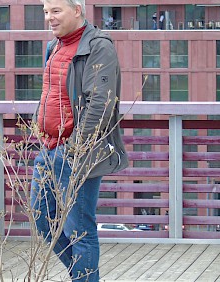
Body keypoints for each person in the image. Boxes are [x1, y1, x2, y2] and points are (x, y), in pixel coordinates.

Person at [30, 0, 128, 281]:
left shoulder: (98, 46)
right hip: (48, 148)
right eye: (46, 12)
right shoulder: (54, 46)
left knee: (80, 228)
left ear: (77, 11)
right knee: (41, 216)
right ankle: (83, 276)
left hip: (77, 153)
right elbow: (52, 94)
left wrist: (76, 149)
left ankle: (85, 278)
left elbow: (100, 104)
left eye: (56, 11)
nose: (49, 18)